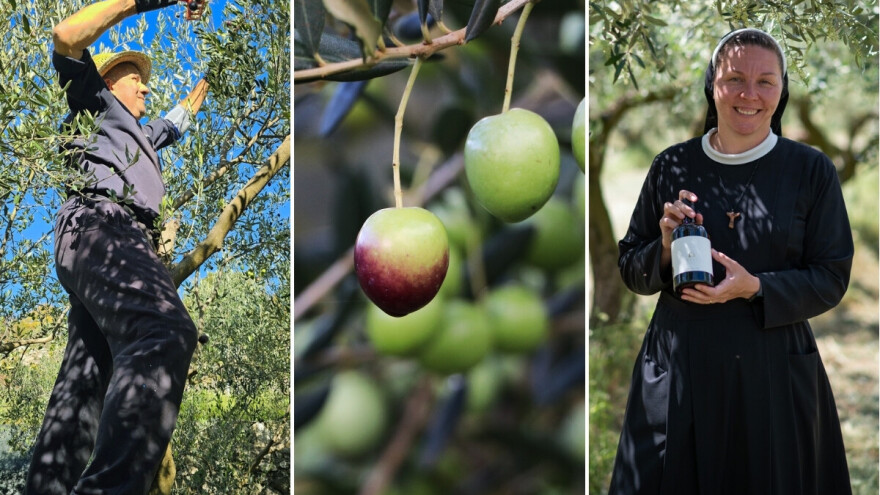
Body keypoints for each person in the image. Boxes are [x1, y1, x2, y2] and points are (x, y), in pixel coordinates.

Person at [610, 28, 853, 495]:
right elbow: (630, 269)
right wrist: (664, 247)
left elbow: (831, 276)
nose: (749, 94)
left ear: (781, 91)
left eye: (765, 82)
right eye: (734, 79)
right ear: (712, 84)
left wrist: (756, 287)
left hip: (772, 372)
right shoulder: (671, 166)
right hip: (680, 367)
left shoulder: (810, 171)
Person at [25, 0, 208, 493]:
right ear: (108, 82)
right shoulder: (94, 104)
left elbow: (175, 121)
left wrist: (200, 93)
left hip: (100, 243)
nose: (145, 86)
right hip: (103, 225)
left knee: (82, 390)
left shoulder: (143, 133)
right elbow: (66, 37)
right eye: (134, 78)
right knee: (165, 330)